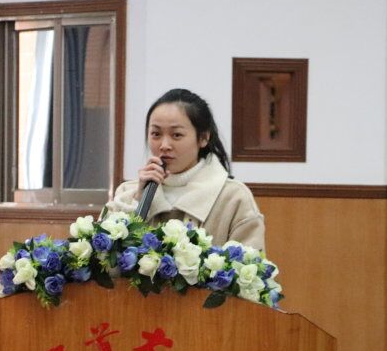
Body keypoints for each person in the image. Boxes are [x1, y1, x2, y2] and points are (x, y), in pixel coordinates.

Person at [105, 89, 266, 250]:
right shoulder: (127, 193)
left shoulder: (234, 197)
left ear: (204, 138)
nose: (164, 145)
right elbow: (102, 256)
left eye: (176, 135)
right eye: (156, 134)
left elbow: (250, 261)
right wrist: (138, 200)